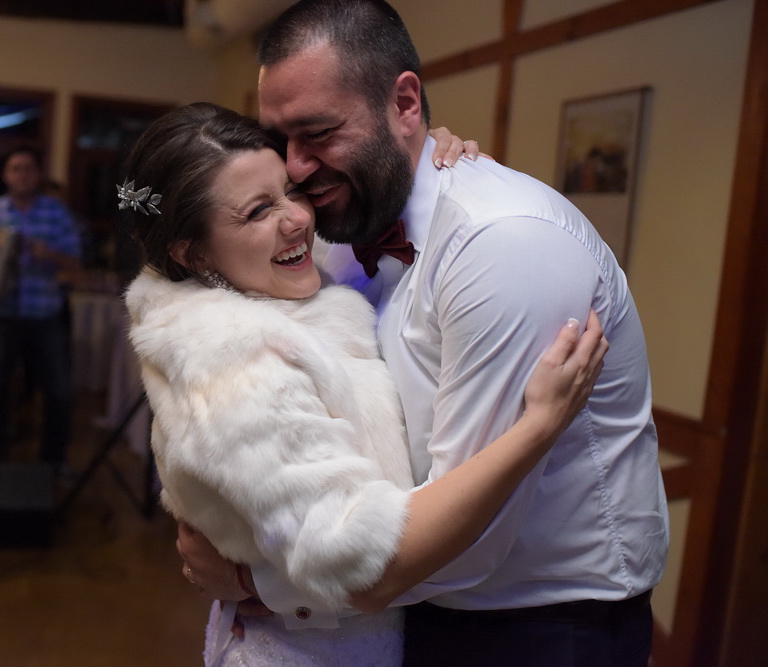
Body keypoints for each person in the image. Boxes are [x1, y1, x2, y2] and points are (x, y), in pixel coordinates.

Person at [178, 2, 670, 665]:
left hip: (539, 629)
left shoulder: (503, 245)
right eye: (279, 140)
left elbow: (470, 538)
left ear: (405, 104)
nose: (293, 168)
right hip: (411, 610)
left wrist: (259, 583)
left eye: (318, 131)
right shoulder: (346, 226)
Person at [123, 102, 606, 666]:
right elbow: (355, 556)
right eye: (257, 211)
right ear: (194, 254)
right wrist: (538, 427)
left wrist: (422, 157)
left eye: (290, 190)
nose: (298, 218)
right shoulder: (237, 359)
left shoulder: (273, 289)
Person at [0, 147, 81, 470]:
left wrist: (49, 254)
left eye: (29, 168)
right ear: (6, 175)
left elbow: (75, 262)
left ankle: (53, 463)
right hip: (0, 313)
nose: (22, 175)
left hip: (45, 314)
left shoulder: (57, 213)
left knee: (59, 392)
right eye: (15, 169)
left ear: (38, 174)